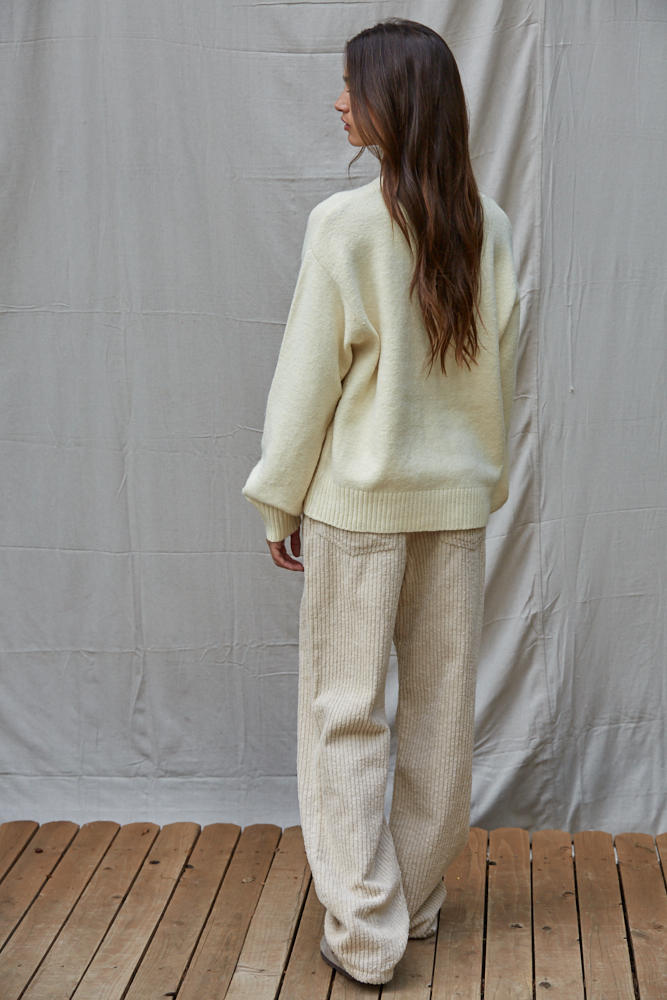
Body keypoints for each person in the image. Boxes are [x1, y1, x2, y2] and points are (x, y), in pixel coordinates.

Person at [242, 17, 520, 987]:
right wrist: (475, 480)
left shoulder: (344, 226)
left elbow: (304, 384)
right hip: (455, 509)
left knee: (344, 712)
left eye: (350, 87)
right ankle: (416, 900)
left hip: (357, 512)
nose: (337, 103)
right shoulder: (492, 229)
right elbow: (503, 381)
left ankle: (364, 931)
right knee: (441, 715)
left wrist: (279, 500)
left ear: (390, 104)